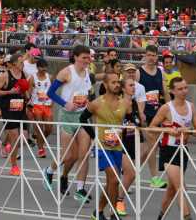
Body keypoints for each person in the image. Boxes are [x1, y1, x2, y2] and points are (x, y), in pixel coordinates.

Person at [44, 45, 93, 203]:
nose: (88, 60)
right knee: (68, 155)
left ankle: (80, 189)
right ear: (76, 57)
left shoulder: (88, 73)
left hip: (82, 117)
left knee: (83, 154)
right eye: (84, 57)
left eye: (89, 57)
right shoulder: (66, 72)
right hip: (67, 116)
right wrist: (66, 104)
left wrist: (89, 103)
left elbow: (88, 93)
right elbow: (50, 93)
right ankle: (50, 170)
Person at [80, 72, 131, 220]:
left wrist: (133, 124)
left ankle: (98, 211)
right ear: (105, 85)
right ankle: (114, 214)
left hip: (117, 147)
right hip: (102, 147)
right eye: (113, 82)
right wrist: (94, 135)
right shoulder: (96, 103)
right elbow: (82, 118)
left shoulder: (125, 103)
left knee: (111, 182)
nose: (116, 85)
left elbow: (129, 122)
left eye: (118, 82)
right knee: (115, 180)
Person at [149, 77, 196, 220]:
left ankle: (160, 216)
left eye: (185, 88)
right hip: (168, 150)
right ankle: (187, 217)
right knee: (181, 187)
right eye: (180, 89)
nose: (184, 91)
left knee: (172, 189)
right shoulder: (166, 108)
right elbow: (151, 128)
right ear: (172, 91)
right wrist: (167, 131)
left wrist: (188, 131)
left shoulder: (191, 107)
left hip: (183, 150)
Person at [137, 44, 170, 189]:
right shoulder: (139, 73)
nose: (151, 58)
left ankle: (130, 171)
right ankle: (154, 178)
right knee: (151, 144)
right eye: (149, 55)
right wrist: (138, 112)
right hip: (143, 114)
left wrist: (171, 109)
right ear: (145, 55)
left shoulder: (160, 73)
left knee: (149, 148)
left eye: (154, 55)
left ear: (157, 57)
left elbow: (165, 92)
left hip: (156, 114)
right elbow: (134, 92)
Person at [0, 53, 29, 175]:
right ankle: (14, 166)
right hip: (8, 109)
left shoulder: (25, 75)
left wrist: (26, 95)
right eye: (21, 62)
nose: (23, 64)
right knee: (14, 136)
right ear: (14, 63)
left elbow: (26, 92)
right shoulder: (4, 75)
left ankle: (4, 144)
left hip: (21, 107)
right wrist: (10, 91)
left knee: (23, 137)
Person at [115, 77, 145, 217]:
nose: (134, 87)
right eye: (131, 85)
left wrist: (138, 124)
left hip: (133, 142)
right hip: (120, 143)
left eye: (134, 85)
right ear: (123, 88)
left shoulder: (134, 102)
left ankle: (115, 200)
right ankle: (118, 201)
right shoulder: (119, 103)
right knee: (130, 174)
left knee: (130, 176)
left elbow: (138, 122)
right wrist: (127, 127)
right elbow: (114, 124)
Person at [29, 58, 52, 158]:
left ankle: (39, 140)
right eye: (42, 67)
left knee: (49, 129)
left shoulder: (49, 77)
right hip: (36, 104)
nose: (44, 69)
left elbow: (52, 91)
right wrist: (29, 104)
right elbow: (29, 91)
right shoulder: (33, 78)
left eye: (45, 67)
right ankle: (41, 149)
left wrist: (53, 102)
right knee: (40, 127)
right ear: (38, 67)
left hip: (47, 105)